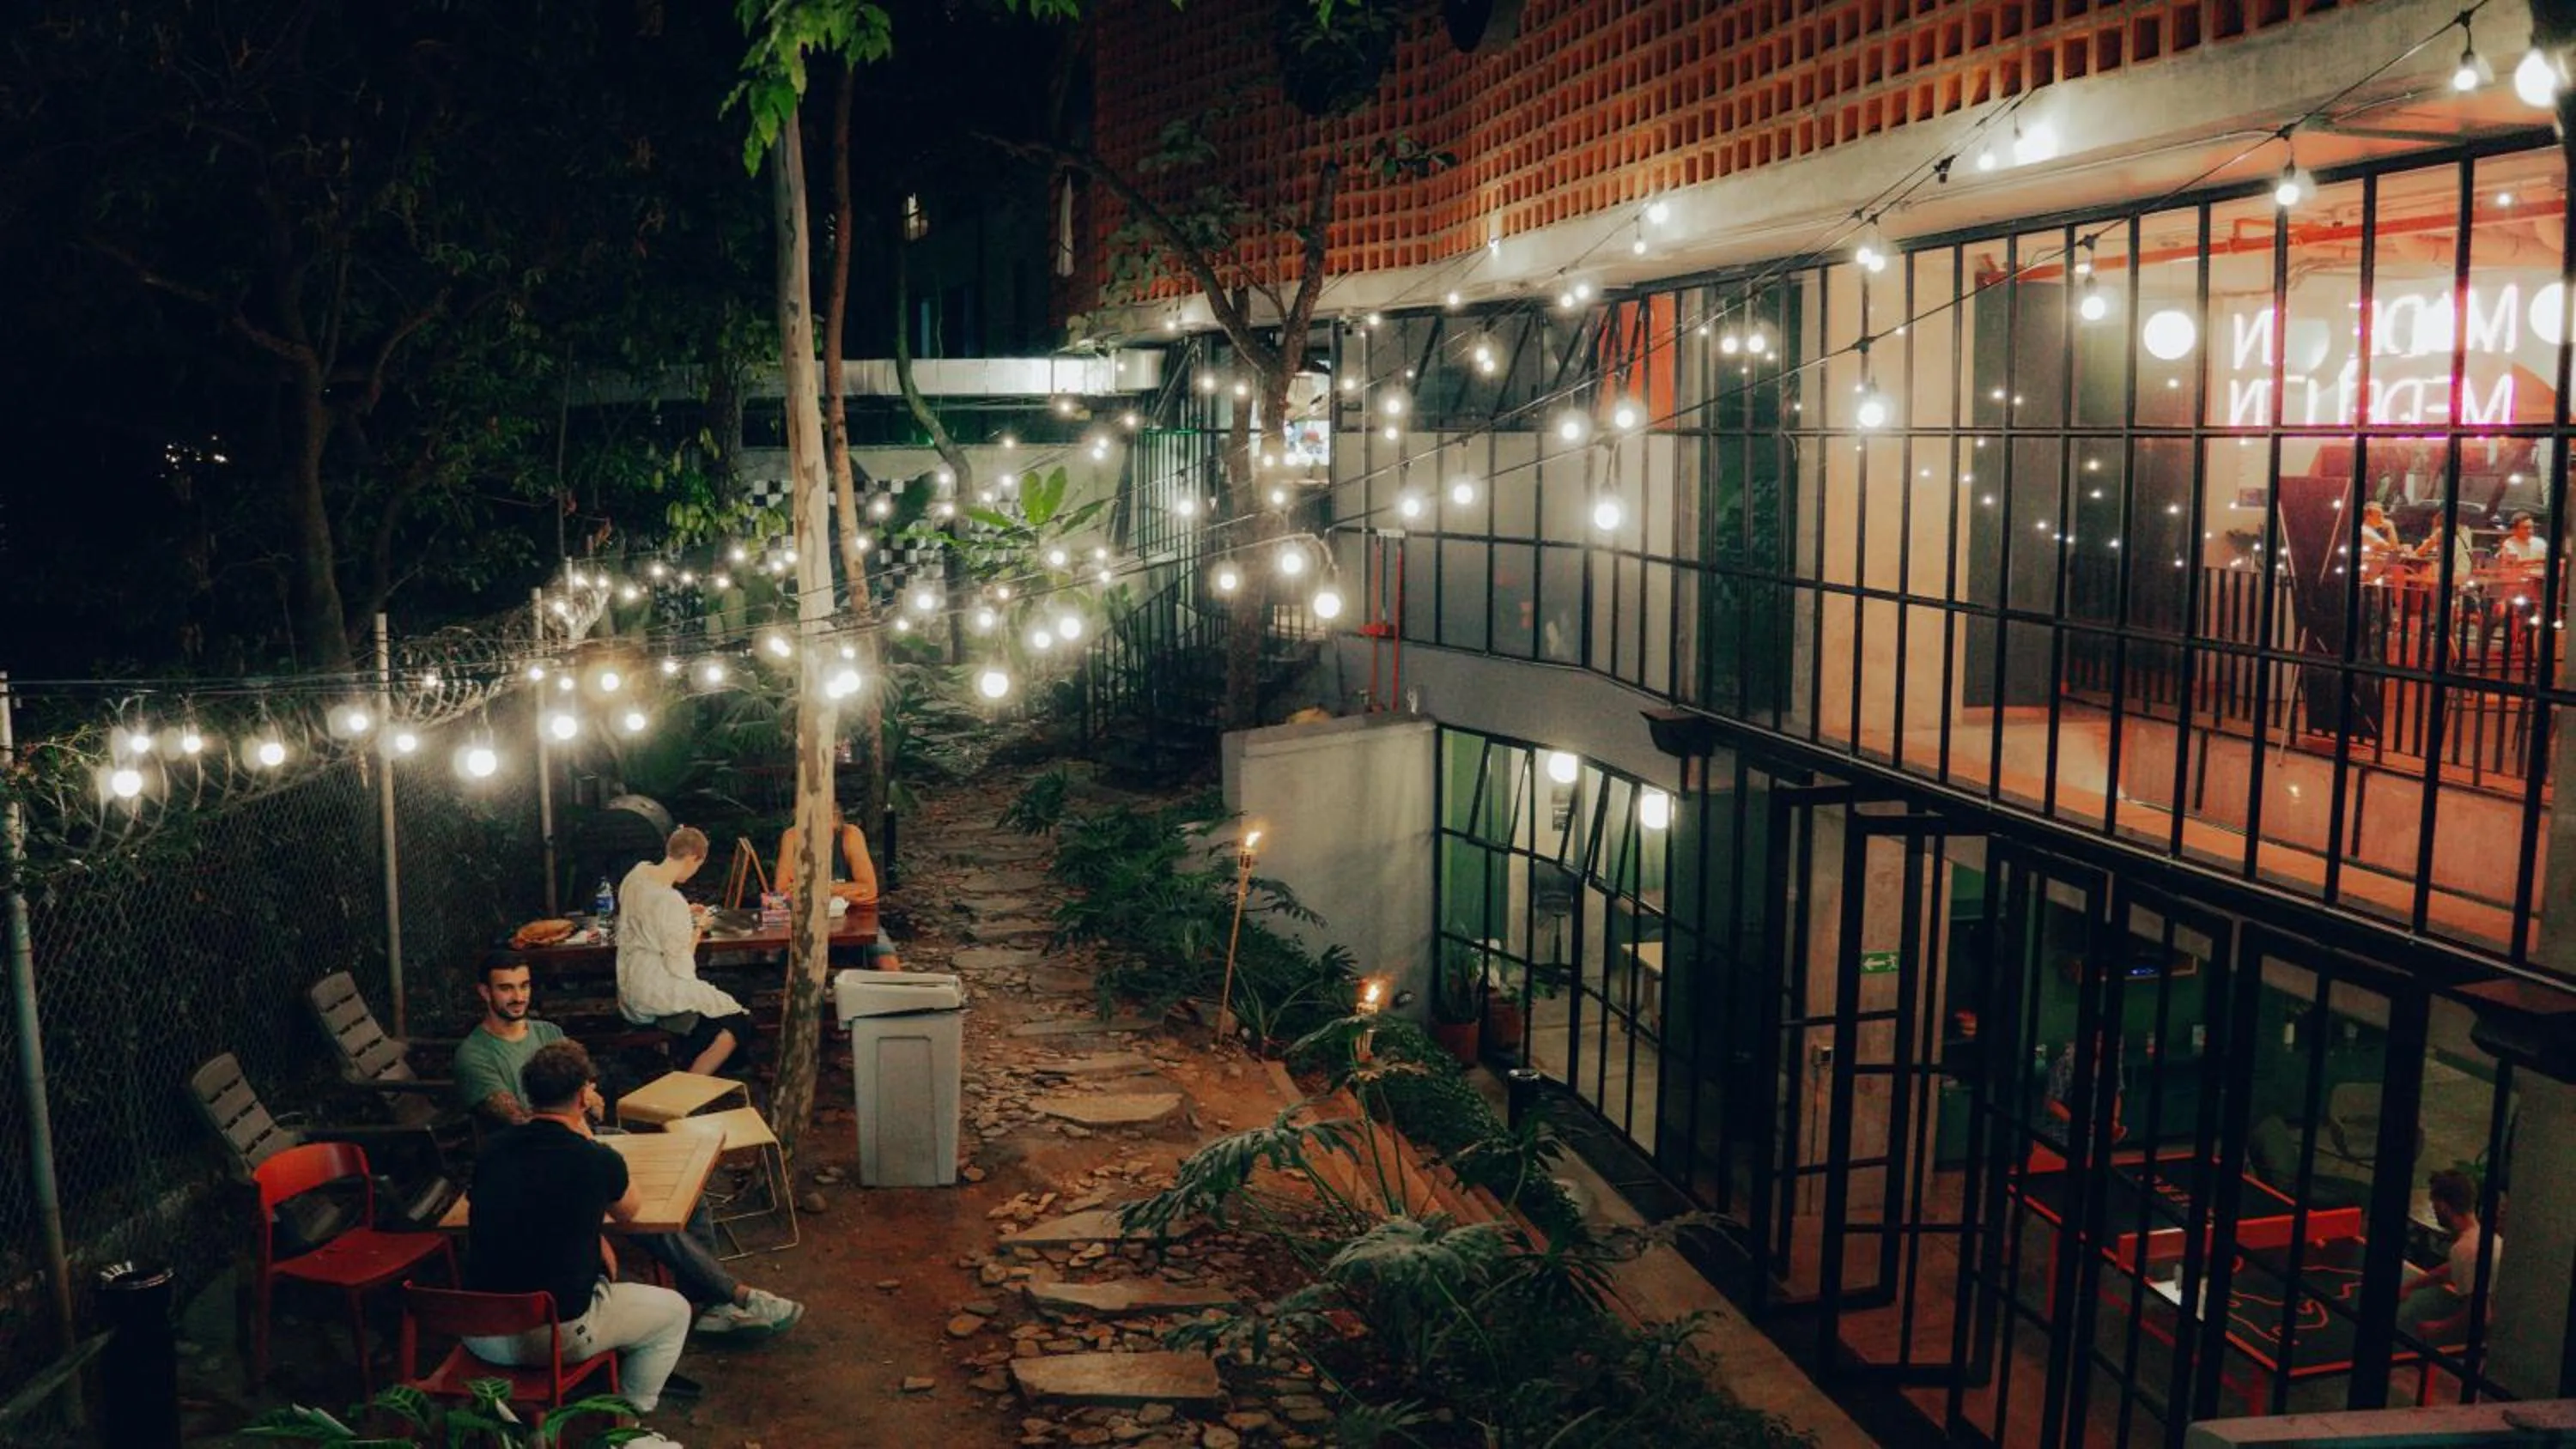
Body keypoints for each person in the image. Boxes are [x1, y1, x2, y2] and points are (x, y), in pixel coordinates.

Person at [453, 962, 804, 1343]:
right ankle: (731, 1294)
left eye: (524, 986)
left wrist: (589, 1096)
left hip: (582, 1135)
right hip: (533, 1159)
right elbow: (523, 1121)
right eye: (506, 988)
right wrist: (579, 1115)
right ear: (485, 993)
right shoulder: (475, 1055)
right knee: (650, 1213)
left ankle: (711, 1300)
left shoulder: (547, 1032)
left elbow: (578, 1081)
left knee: (687, 1184)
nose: (518, 996)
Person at [460, 1042, 690, 1446]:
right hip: (553, 1337)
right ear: (585, 1095)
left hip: (479, 1331)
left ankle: (528, 1426)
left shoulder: (491, 1151)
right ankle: (626, 1428)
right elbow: (631, 1211)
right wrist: (587, 1134)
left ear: (529, 1094)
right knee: (673, 1312)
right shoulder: (596, 1160)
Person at [617, 827, 753, 1076]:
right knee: (738, 1021)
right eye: (698, 865)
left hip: (630, 980)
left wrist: (684, 915)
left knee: (727, 1000)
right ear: (692, 858)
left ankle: (687, 1061)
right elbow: (681, 967)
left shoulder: (636, 875)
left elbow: (647, 914)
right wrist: (698, 929)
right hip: (655, 988)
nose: (695, 872)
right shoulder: (671, 901)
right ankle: (690, 1085)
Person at [774, 803, 902, 970]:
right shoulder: (792, 837)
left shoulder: (850, 835)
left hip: (856, 918)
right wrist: (845, 891)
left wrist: (817, 889)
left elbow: (868, 890)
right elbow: (782, 891)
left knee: (889, 964)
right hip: (807, 920)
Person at [2397, 1168, 2500, 1344]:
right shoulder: (2487, 1237)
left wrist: (2439, 1328)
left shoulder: (2465, 1250)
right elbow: (2449, 1270)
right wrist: (2410, 1286)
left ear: (2443, 1206)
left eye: (2434, 1204)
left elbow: (2481, 1315)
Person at [2038, 1030, 2125, 1150]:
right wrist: (2078, 1123)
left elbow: (2116, 1093)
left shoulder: (2112, 1061)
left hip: (2093, 1138)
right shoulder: (2067, 1063)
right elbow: (2052, 1103)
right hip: (2061, 1136)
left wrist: (2114, 1121)